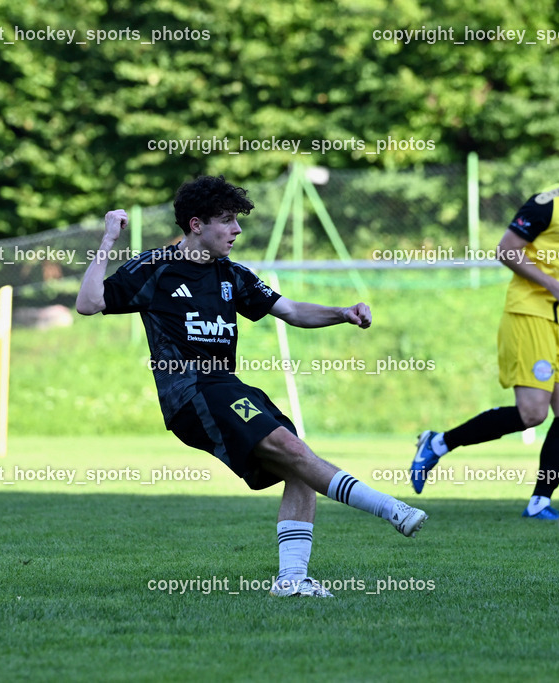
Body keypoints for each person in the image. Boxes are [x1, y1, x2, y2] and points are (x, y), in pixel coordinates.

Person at [77, 175, 427, 598]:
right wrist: (109, 239)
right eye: (226, 221)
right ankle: (391, 509)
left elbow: (293, 310)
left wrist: (342, 312)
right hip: (191, 391)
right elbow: (89, 303)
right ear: (195, 225)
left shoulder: (233, 274)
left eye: (236, 221)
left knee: (299, 468)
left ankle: (292, 581)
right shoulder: (155, 269)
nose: (237, 230)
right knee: (297, 452)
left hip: (226, 388)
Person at [410, 127, 559, 519]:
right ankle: (438, 443)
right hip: (529, 313)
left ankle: (540, 500)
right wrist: (552, 284)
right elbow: (505, 250)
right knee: (533, 413)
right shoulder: (546, 205)